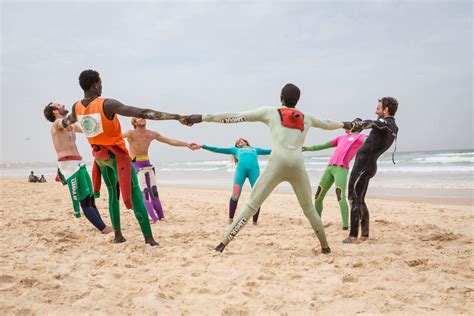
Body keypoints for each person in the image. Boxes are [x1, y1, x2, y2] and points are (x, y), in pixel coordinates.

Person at [183, 83, 355, 254]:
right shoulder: (307, 117)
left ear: (280, 98)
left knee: (252, 204)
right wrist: (345, 124)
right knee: (309, 209)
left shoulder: (270, 112)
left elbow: (235, 117)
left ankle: (223, 243)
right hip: (297, 165)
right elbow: (327, 124)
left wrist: (202, 117)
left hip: (277, 163)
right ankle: (325, 247)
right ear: (297, 101)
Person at [61, 69, 187, 246]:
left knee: (113, 194)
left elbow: (67, 121)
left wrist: (63, 124)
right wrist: (176, 117)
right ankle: (149, 238)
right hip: (117, 156)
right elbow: (142, 112)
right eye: (101, 83)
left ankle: (118, 235)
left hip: (100, 157)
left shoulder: (77, 107)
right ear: (95, 84)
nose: (102, 86)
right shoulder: (107, 104)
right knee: (135, 193)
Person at [43, 102, 112, 234]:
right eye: (58, 105)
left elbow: (90, 129)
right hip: (69, 165)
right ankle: (103, 228)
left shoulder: (72, 126)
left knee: (90, 197)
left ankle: (103, 226)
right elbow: (64, 122)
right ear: (54, 111)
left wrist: (104, 119)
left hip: (79, 163)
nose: (62, 104)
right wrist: (77, 111)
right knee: (84, 199)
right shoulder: (57, 124)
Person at [343, 97, 399, 244]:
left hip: (363, 165)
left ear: (386, 110)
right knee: (360, 199)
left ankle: (353, 235)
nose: (376, 109)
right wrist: (356, 124)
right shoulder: (392, 127)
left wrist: (358, 124)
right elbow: (373, 128)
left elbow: (372, 123)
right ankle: (365, 234)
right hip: (369, 165)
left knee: (353, 197)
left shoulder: (385, 124)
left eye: (379, 107)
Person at [122, 117, 199, 222]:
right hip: (136, 166)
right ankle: (152, 218)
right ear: (134, 122)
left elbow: (170, 141)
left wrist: (187, 144)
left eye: (143, 117)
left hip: (148, 164)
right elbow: (116, 137)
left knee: (154, 192)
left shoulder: (151, 134)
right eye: (139, 117)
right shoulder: (130, 133)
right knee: (145, 193)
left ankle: (161, 217)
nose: (143, 118)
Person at [302, 120, 366, 230]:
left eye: (352, 123)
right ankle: (318, 223)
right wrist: (307, 148)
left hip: (341, 169)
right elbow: (323, 145)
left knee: (340, 197)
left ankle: (346, 226)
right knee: (318, 196)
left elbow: (370, 140)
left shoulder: (359, 137)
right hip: (329, 168)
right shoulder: (340, 138)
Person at [198, 138, 271, 224]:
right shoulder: (235, 150)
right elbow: (218, 149)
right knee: (235, 195)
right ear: (236, 146)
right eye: (237, 143)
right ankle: (230, 219)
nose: (239, 142)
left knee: (257, 195)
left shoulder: (255, 149)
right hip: (241, 172)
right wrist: (204, 146)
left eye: (241, 140)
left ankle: (255, 221)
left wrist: (285, 149)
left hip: (254, 172)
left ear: (246, 142)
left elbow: (271, 151)